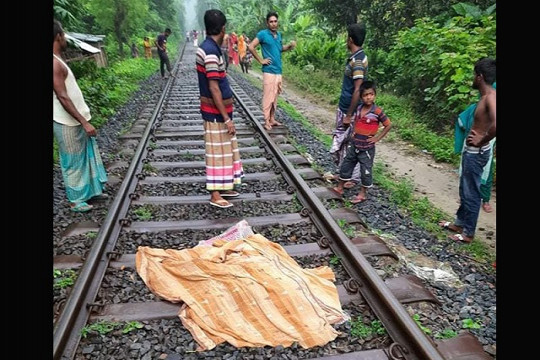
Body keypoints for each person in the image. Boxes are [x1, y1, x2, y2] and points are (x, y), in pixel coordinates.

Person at [53, 19, 108, 212]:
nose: (65, 37)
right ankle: (76, 200)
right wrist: (84, 121)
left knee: (84, 156)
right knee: (73, 161)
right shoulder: (54, 62)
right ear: (58, 37)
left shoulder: (58, 59)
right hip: (66, 122)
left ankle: (90, 192)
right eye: (63, 34)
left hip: (73, 120)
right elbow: (62, 96)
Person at [440, 58, 496, 243]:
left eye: (474, 75)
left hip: (476, 154)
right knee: (465, 189)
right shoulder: (485, 97)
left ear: (479, 77)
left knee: (471, 192)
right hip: (471, 152)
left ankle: (468, 233)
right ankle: (459, 223)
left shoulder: (490, 98)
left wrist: (482, 138)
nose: (473, 78)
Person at [196, 9, 244, 208]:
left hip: (219, 112)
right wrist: (226, 118)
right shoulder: (210, 52)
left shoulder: (210, 48)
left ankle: (223, 186)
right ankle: (215, 194)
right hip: (215, 113)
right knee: (216, 151)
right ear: (223, 28)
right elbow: (214, 87)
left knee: (225, 150)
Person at [332, 81, 392, 203]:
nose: (368, 97)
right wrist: (353, 131)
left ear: (375, 95)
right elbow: (356, 121)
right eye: (365, 95)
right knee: (347, 164)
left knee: (365, 170)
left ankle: (362, 194)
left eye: (371, 94)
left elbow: (388, 125)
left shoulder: (377, 112)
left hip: (367, 147)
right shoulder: (359, 108)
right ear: (361, 97)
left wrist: (377, 138)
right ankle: (340, 187)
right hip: (355, 144)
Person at [329, 23, 368, 189]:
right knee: (344, 142)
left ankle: (353, 178)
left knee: (352, 143)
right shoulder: (356, 57)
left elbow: (358, 88)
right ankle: (344, 174)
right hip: (345, 106)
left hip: (349, 109)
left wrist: (349, 114)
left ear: (350, 39)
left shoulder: (358, 61)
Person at [248, 11, 297, 131]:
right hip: (269, 70)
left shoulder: (279, 35)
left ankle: (272, 118)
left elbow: (279, 49)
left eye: (275, 21)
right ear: (267, 23)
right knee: (268, 96)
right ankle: (266, 121)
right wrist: (261, 60)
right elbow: (250, 46)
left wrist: (289, 46)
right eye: (271, 22)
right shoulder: (262, 34)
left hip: (278, 71)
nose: (274, 24)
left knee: (275, 96)